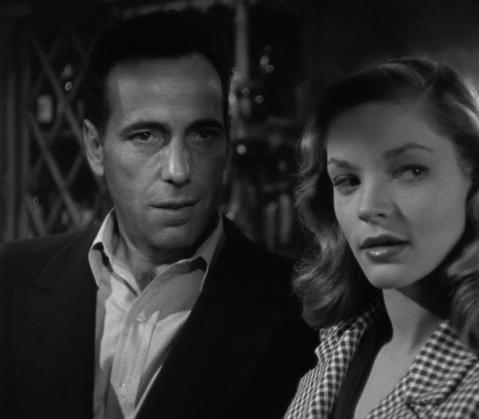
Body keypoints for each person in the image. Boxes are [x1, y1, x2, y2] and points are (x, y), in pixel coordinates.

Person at [0, 11, 318, 419]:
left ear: (227, 141)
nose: (178, 170)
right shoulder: (12, 277)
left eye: (203, 134)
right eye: (146, 135)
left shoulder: (303, 312)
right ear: (95, 148)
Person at [284, 57, 479, 418]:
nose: (369, 207)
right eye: (348, 181)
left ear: (474, 178)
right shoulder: (334, 356)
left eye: (410, 170)